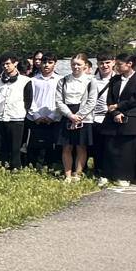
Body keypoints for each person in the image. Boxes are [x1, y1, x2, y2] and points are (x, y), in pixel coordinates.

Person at [98, 52, 136, 187]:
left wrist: (120, 106)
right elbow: (110, 99)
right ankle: (107, 174)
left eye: (120, 64)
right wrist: (115, 111)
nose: (117, 67)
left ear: (130, 64)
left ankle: (125, 176)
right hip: (113, 117)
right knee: (110, 147)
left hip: (132, 117)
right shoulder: (115, 79)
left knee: (128, 149)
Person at [55, 53, 96, 182]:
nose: (76, 67)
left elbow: (91, 101)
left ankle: (77, 174)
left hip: (83, 115)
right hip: (67, 113)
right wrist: (70, 115)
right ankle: (67, 175)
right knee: (67, 146)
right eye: (73, 64)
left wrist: (79, 116)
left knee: (81, 146)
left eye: (79, 64)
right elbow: (58, 100)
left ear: (85, 65)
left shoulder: (91, 80)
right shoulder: (63, 80)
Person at [0, 53, 32, 170]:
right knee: (2, 146)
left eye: (8, 63)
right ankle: (3, 166)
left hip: (17, 118)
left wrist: (24, 111)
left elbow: (28, 99)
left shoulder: (25, 81)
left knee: (15, 147)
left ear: (15, 63)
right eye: (3, 64)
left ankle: (16, 168)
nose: (5, 66)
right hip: (0, 117)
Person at [26, 56, 61, 171]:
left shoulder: (60, 80)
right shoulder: (33, 80)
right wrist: (36, 115)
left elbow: (61, 100)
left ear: (55, 64)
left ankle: (50, 166)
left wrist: (52, 116)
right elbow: (30, 100)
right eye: (44, 62)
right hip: (36, 118)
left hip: (54, 118)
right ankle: (34, 167)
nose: (46, 65)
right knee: (35, 145)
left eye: (50, 62)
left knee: (52, 145)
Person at [88, 54, 116, 184]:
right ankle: (98, 170)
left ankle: (111, 171)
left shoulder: (118, 79)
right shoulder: (91, 79)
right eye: (101, 63)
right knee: (96, 146)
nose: (104, 66)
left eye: (107, 62)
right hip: (94, 117)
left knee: (110, 147)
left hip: (111, 117)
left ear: (113, 63)